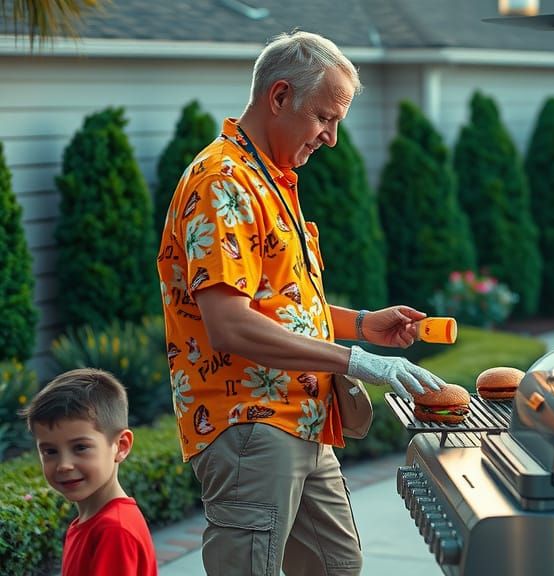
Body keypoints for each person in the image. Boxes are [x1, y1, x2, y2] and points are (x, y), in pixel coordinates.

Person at [156, 30, 444, 575]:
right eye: (324, 117)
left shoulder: (270, 177)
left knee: (337, 567)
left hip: (305, 421)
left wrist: (360, 325)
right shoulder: (222, 181)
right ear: (280, 96)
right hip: (252, 426)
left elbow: (277, 305)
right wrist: (355, 360)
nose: (332, 137)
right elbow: (230, 326)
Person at [19, 368, 157, 576]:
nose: (64, 465)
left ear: (120, 446)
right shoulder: (92, 521)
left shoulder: (114, 530)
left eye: (80, 447)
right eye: (50, 451)